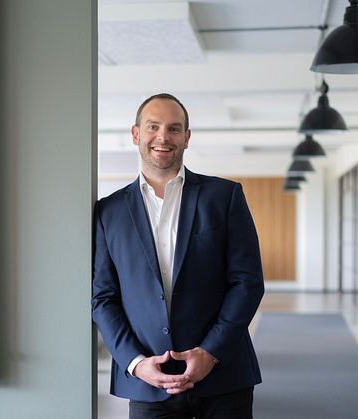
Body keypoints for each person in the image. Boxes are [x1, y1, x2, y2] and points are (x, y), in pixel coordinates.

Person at [92, 93, 264, 419]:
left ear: (187, 137)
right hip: (147, 383)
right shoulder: (108, 212)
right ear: (135, 134)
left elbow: (247, 282)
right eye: (153, 127)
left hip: (224, 376)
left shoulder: (224, 197)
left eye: (174, 128)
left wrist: (210, 352)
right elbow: (103, 298)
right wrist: (136, 363)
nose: (163, 137)